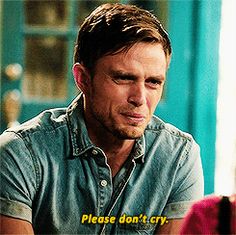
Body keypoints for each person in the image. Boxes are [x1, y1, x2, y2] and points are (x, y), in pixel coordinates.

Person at [0, 3, 204, 234]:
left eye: (153, 82)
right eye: (124, 78)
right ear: (83, 79)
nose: (140, 98)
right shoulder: (20, 153)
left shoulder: (178, 157)